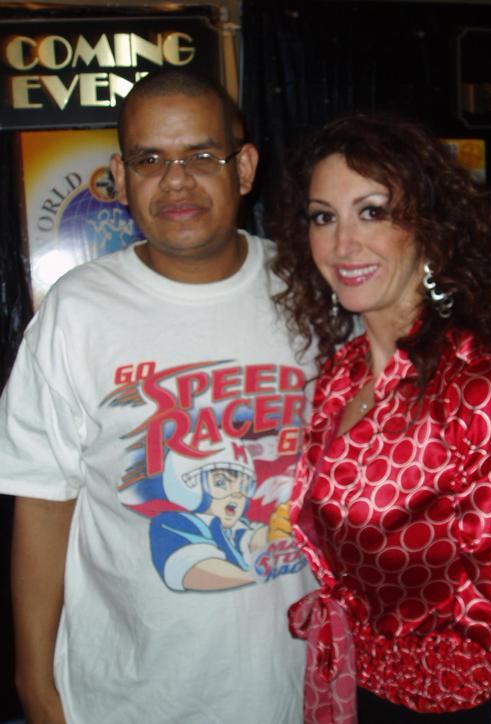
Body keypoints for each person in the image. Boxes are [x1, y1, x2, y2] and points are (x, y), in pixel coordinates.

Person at [0, 68, 316, 724]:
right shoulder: (77, 312)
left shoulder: (311, 292)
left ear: (244, 167)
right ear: (120, 176)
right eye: (150, 160)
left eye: (201, 156)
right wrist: (34, 685)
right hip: (125, 696)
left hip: (295, 688)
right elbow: (43, 506)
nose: (176, 181)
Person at [268, 112, 491, 723]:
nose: (342, 244)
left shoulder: (484, 395)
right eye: (323, 217)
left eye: (373, 211)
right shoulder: (340, 378)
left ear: (429, 228)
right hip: (355, 690)